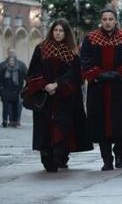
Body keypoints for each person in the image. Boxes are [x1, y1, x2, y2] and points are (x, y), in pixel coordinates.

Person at [24, 19, 92, 171]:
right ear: (52, 31)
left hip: (65, 97)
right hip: (45, 96)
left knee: (64, 126)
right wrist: (45, 85)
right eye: (56, 30)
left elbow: (75, 74)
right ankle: (46, 155)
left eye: (61, 31)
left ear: (66, 33)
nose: (58, 33)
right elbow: (34, 71)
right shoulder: (41, 48)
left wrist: (58, 84)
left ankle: (60, 156)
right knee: (45, 127)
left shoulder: (73, 51)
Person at [80, 8, 122, 171]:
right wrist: (100, 75)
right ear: (101, 20)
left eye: (110, 19)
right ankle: (107, 159)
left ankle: (118, 153)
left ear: (116, 20)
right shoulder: (91, 38)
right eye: (104, 19)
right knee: (100, 125)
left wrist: (118, 74)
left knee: (121, 123)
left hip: (121, 89)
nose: (107, 22)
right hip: (98, 89)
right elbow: (85, 61)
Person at [1, 50, 27, 128]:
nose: (12, 53)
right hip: (6, 90)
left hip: (17, 90)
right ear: (8, 53)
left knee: (17, 106)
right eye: (10, 52)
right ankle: (7, 121)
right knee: (7, 107)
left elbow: (26, 76)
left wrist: (26, 88)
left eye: (13, 52)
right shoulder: (2, 65)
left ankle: (16, 121)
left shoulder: (21, 65)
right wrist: (1, 89)